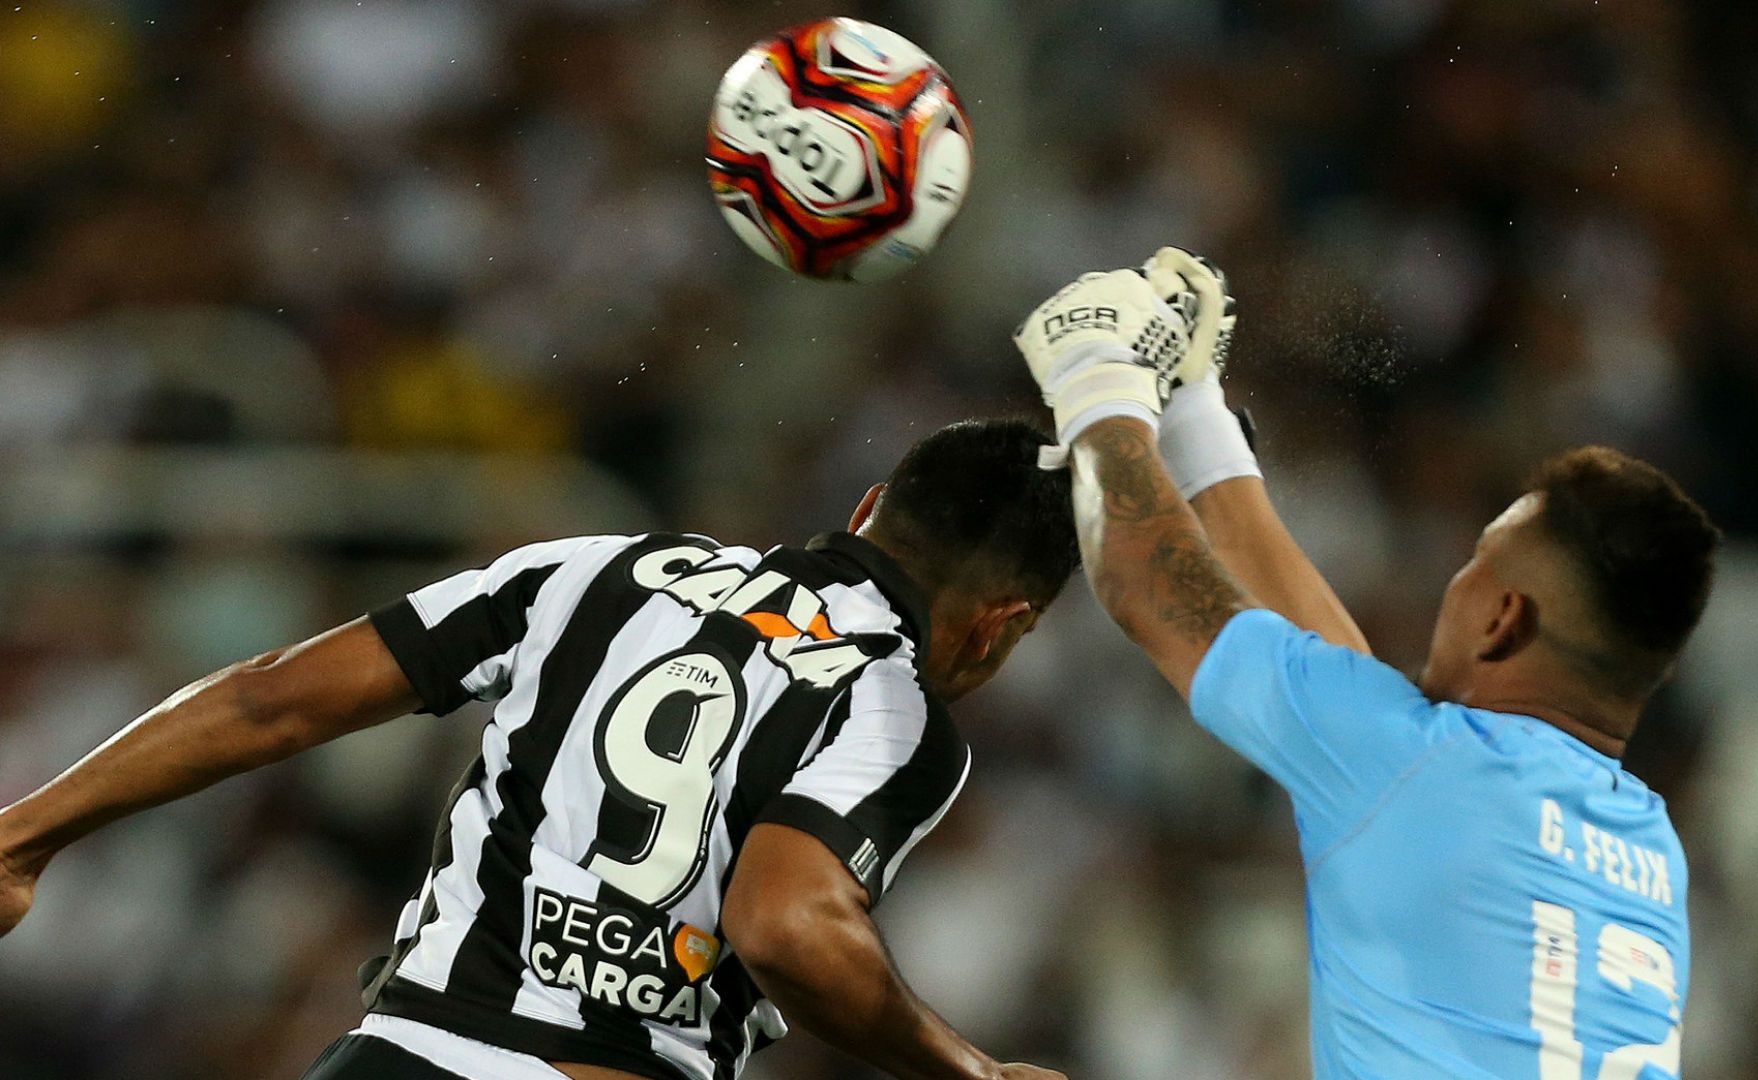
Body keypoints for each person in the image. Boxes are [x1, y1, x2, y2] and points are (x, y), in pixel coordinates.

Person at [0, 419, 1075, 1080]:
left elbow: (268, 699)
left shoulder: (600, 569)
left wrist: (22, 840)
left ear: (870, 507)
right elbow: (786, 925)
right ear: (1001, 625)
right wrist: (966, 1071)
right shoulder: (892, 713)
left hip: (395, 1058)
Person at [1015, 250, 1720, 1079]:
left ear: (1502, 619)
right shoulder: (1648, 848)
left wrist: (1096, 374)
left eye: (1476, 562)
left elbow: (1145, 581)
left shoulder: (1417, 768)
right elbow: (1353, 709)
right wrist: (1194, 415)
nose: (1454, 583)